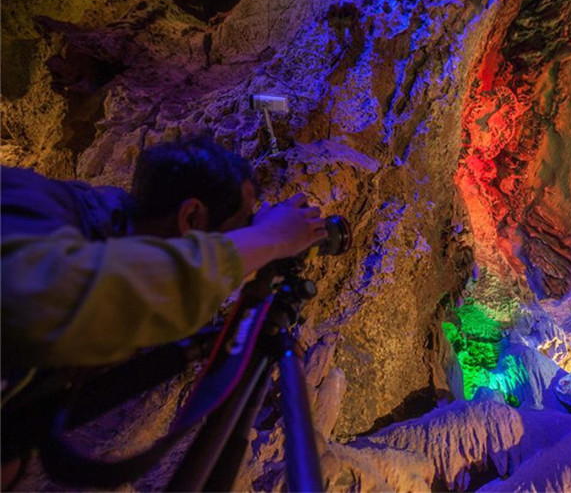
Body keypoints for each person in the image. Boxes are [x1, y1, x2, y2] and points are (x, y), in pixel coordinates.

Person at [1, 136, 327, 368]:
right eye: (241, 228)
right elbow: (46, 304)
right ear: (190, 218)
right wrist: (270, 236)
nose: (245, 242)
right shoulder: (27, 202)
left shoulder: (90, 229)